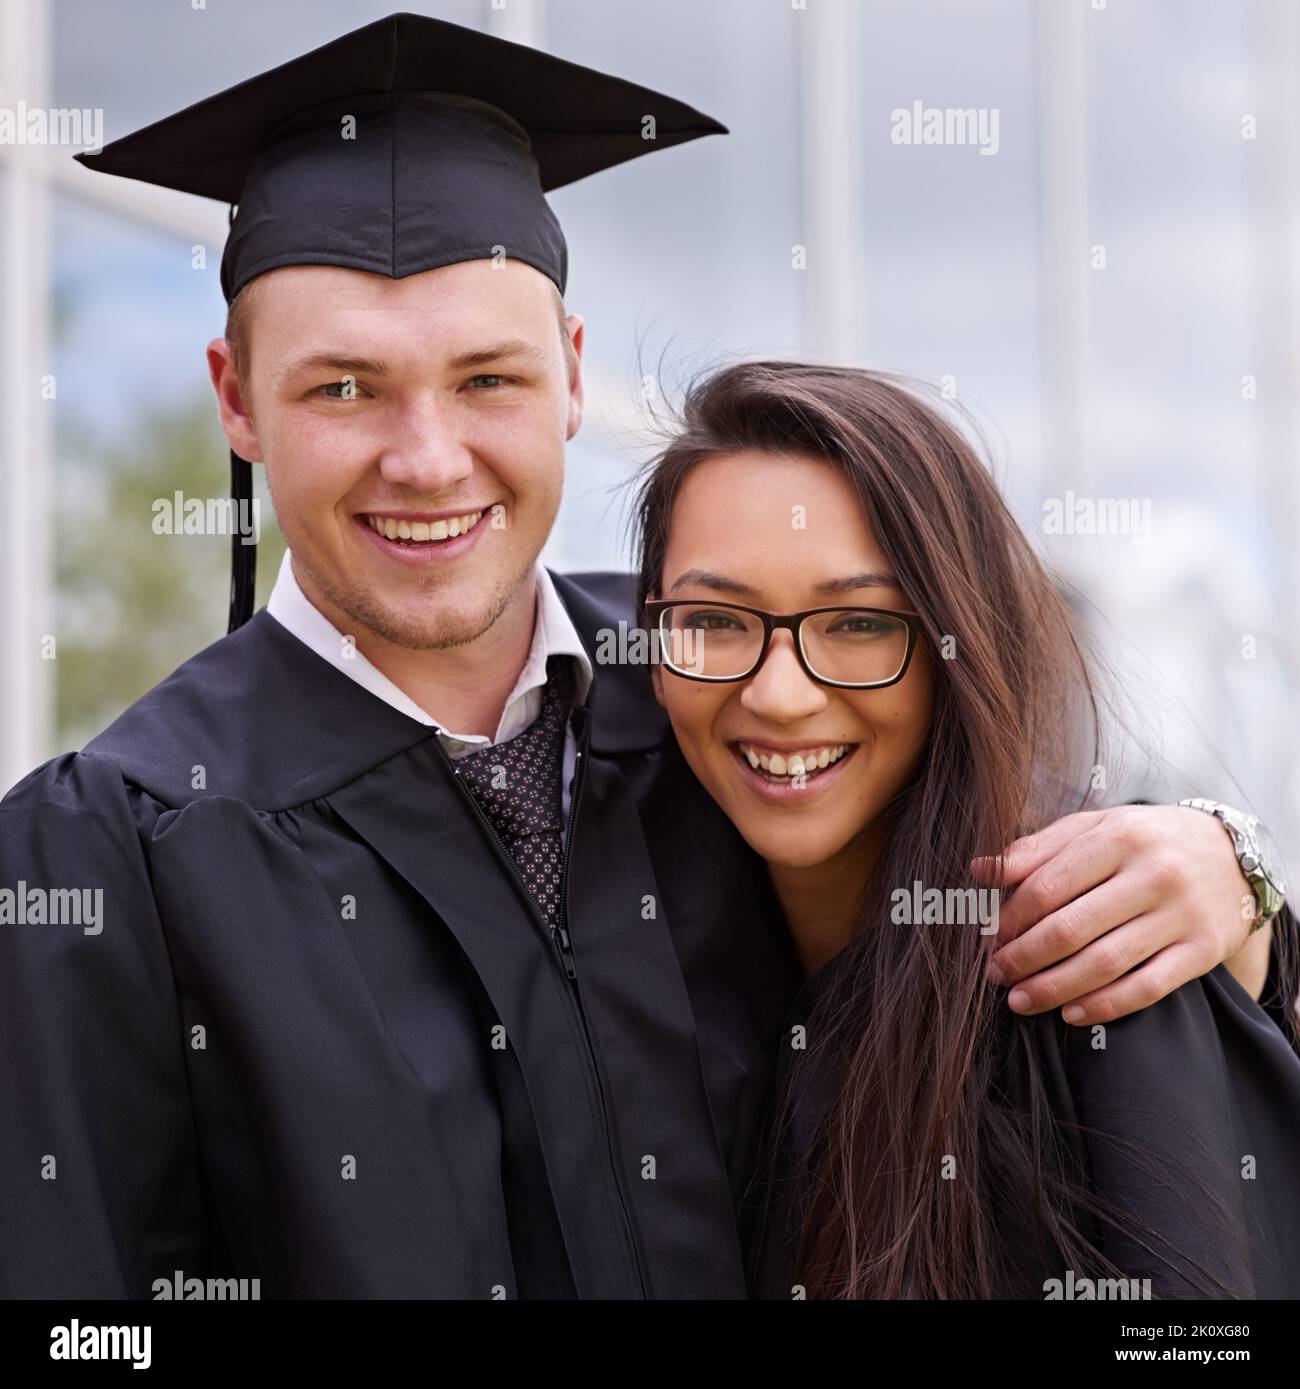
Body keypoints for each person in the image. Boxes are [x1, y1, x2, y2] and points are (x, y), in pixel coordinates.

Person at [0, 14, 1284, 1299]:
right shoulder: (120, 847)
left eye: (487, 379)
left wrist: (1230, 880)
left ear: (567, 372)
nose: (428, 459)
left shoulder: (724, 691)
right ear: (234, 398)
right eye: (343, 390)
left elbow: (999, 874)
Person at [633, 360, 1299, 1299]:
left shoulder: (1087, 958)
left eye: (860, 624)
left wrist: (1247, 875)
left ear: (957, 645)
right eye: (713, 619)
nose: (778, 695)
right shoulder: (649, 957)